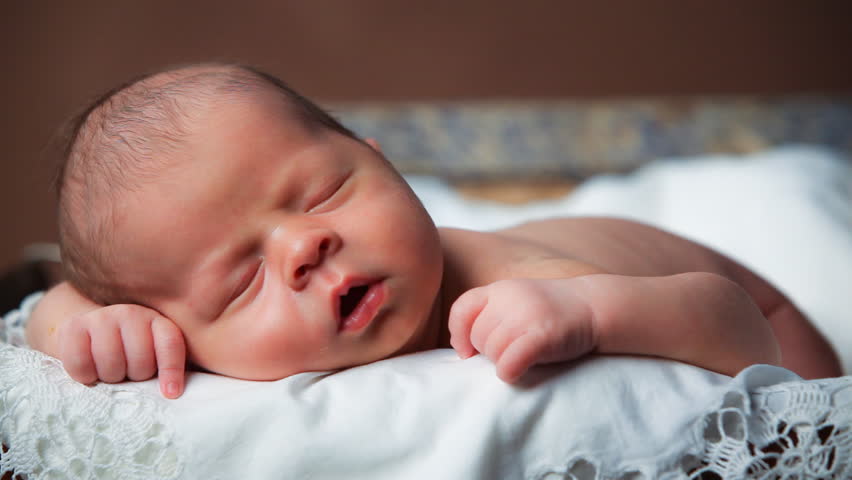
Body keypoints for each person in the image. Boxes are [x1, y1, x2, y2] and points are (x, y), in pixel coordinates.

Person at [25, 63, 841, 400]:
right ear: (182, 327)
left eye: (324, 193)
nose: (302, 246)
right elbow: (50, 306)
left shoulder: (527, 279)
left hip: (763, 308)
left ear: (386, 167)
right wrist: (85, 327)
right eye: (241, 281)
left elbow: (734, 325)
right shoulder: (169, 323)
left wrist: (591, 313)